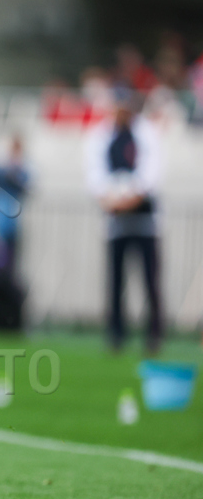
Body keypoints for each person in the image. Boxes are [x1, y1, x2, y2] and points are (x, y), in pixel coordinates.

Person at [85, 90, 162, 354]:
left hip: (144, 219)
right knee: (116, 280)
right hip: (116, 220)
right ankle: (116, 334)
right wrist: (111, 199)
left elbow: (152, 172)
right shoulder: (102, 135)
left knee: (150, 279)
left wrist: (132, 198)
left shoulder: (146, 133)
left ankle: (153, 334)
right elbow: (94, 173)